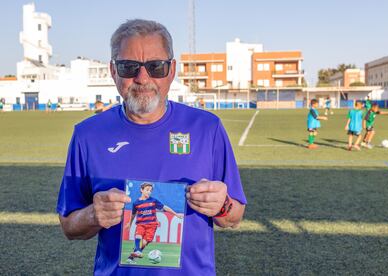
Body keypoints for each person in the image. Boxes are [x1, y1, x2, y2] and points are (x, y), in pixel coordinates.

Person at [56, 19, 246, 276]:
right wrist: (92, 215)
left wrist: (221, 204)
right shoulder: (87, 135)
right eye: (128, 66)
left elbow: (234, 215)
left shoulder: (207, 128)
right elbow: (69, 225)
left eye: (155, 66)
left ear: (172, 69)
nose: (142, 78)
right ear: (113, 71)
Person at [125, 182, 183, 263]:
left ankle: (132, 257)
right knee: (138, 235)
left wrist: (176, 214)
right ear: (141, 190)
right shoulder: (136, 203)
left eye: (150, 190)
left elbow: (164, 207)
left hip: (152, 226)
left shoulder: (153, 201)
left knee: (144, 243)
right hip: (141, 224)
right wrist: (129, 223)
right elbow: (133, 215)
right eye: (147, 190)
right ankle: (137, 252)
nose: (149, 192)